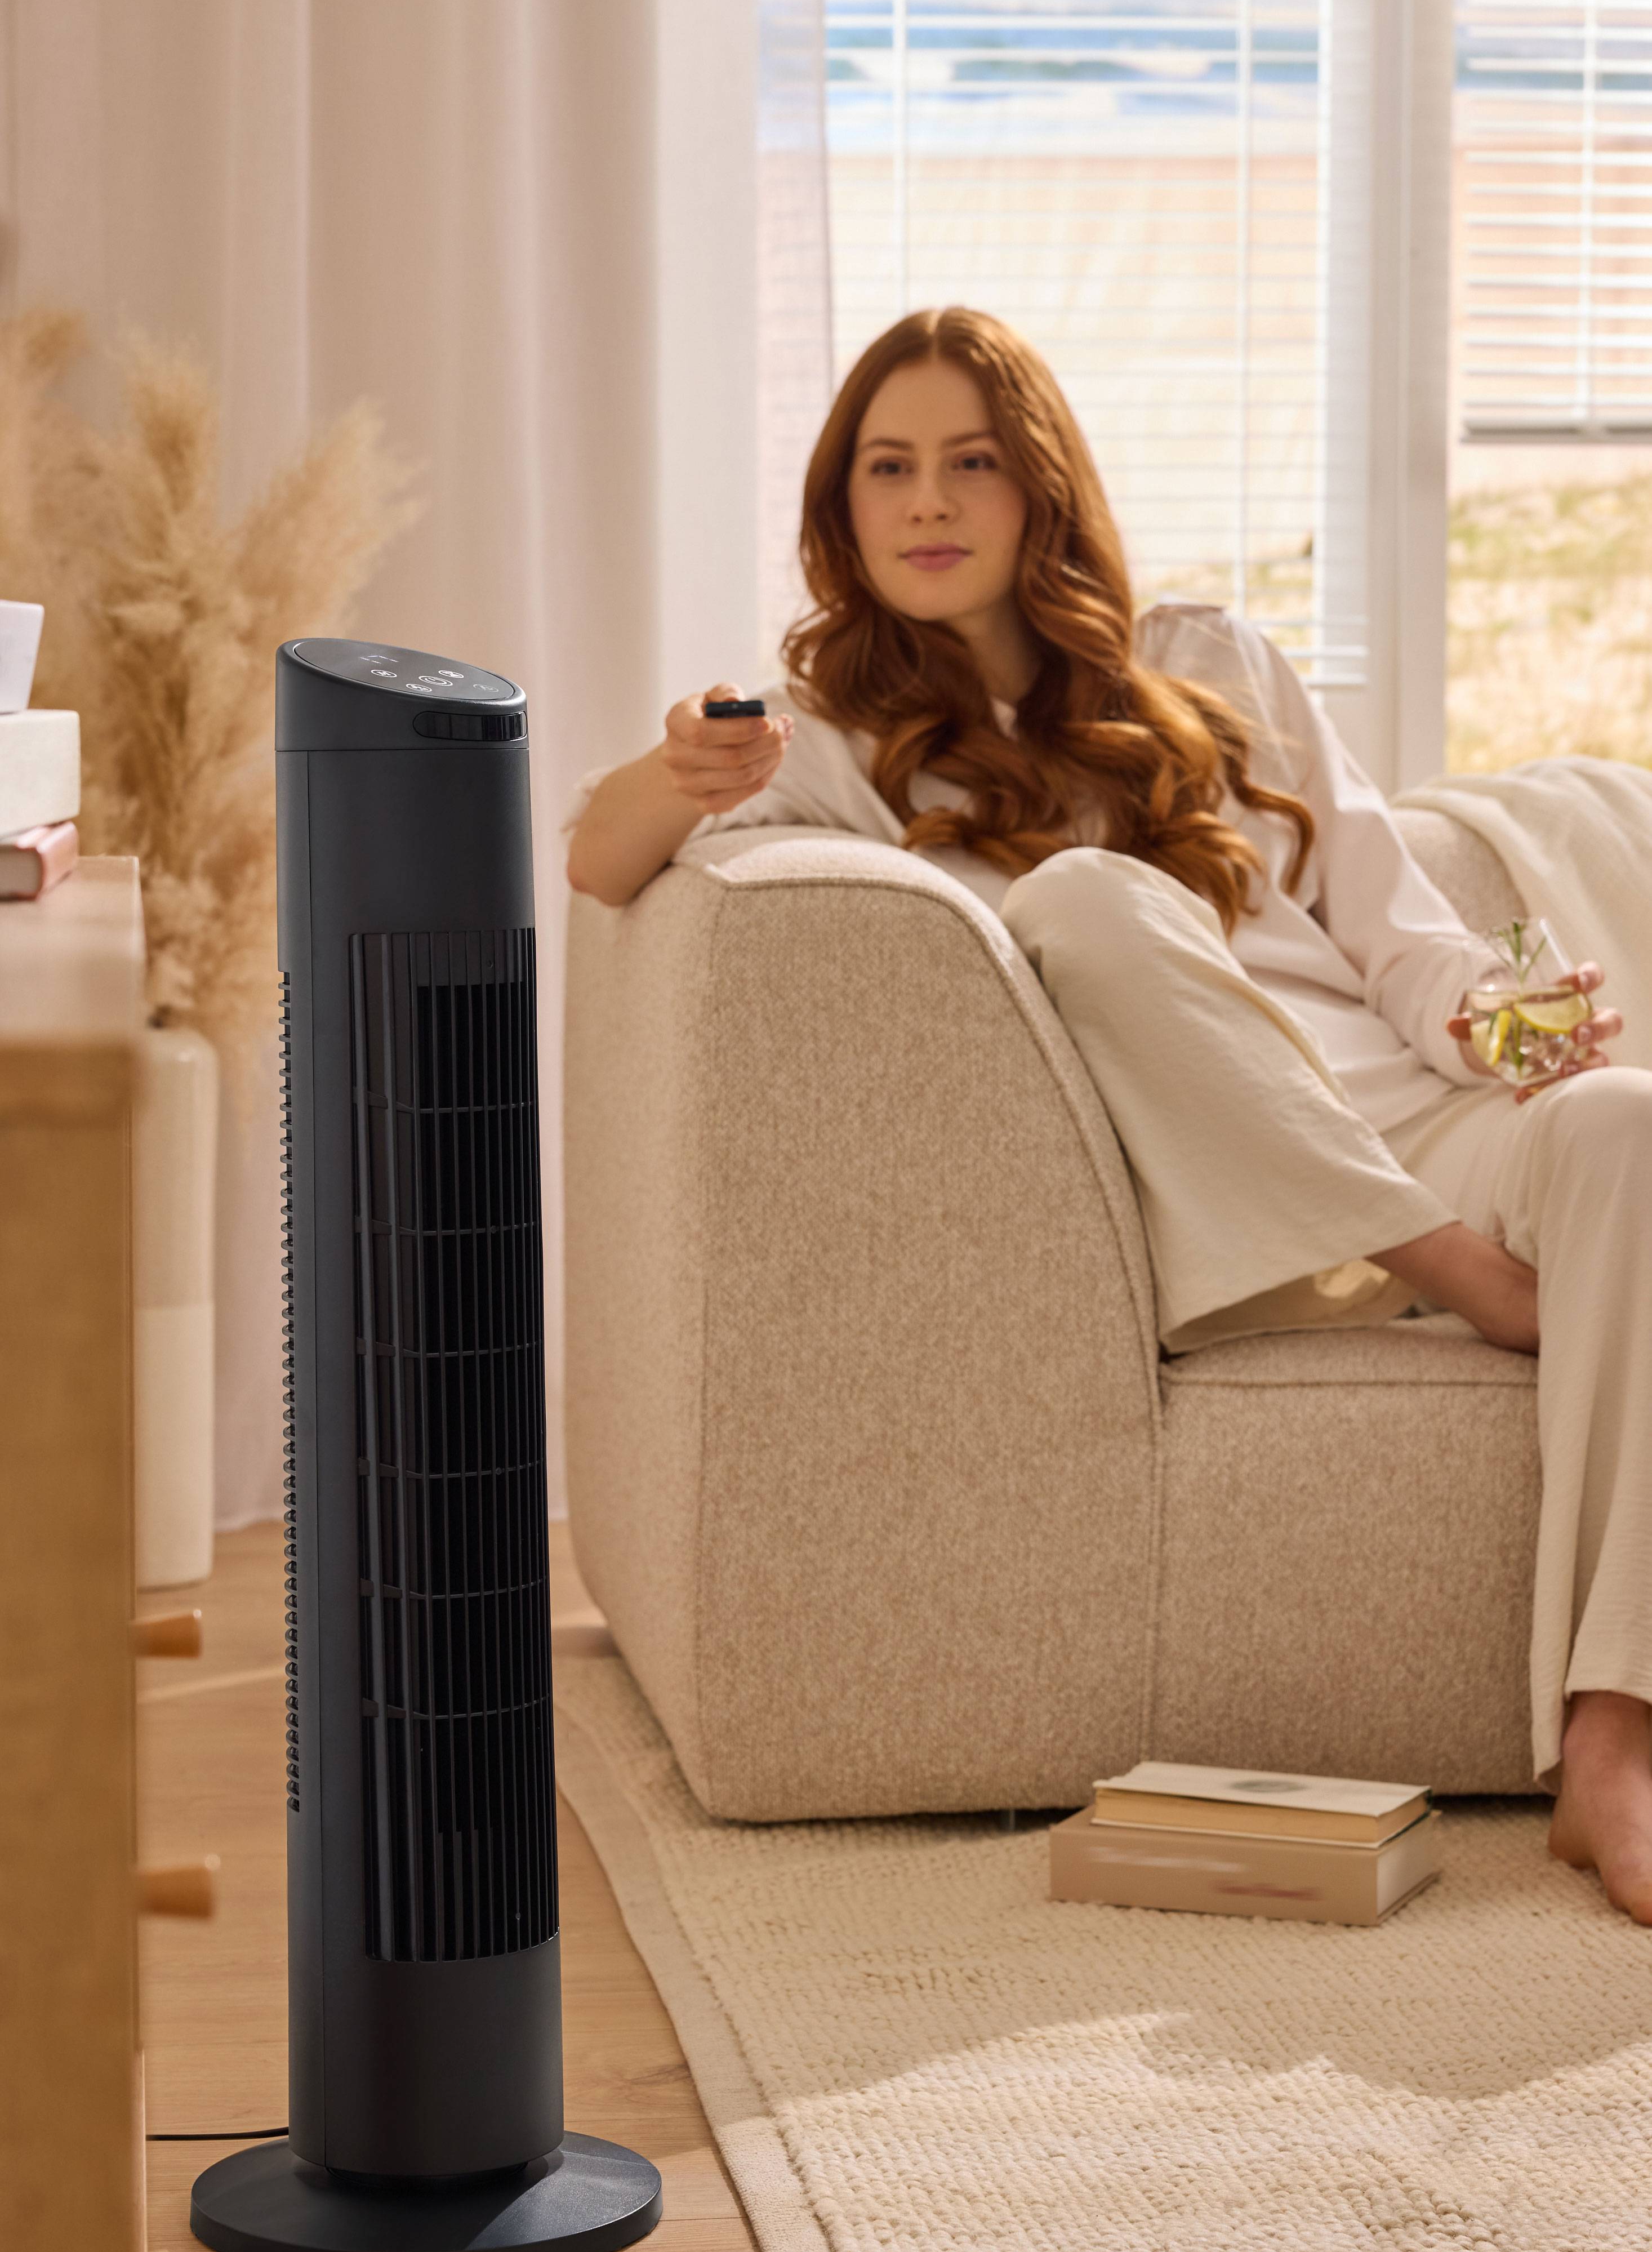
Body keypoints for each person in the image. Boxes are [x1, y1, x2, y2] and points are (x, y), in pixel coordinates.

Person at [567, 306, 1652, 1923]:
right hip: (1239, 1213)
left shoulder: (1213, 660)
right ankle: (1468, 1279)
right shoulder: (836, 739)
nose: (930, 502)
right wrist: (680, 769)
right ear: (844, 507)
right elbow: (598, 861)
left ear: (1040, 488)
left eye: (972, 463)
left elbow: (1396, 926)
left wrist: (1508, 1028)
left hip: (1408, 1117)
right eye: (888, 469)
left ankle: (1613, 1740)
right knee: (1086, 894)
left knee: (1628, 1123)